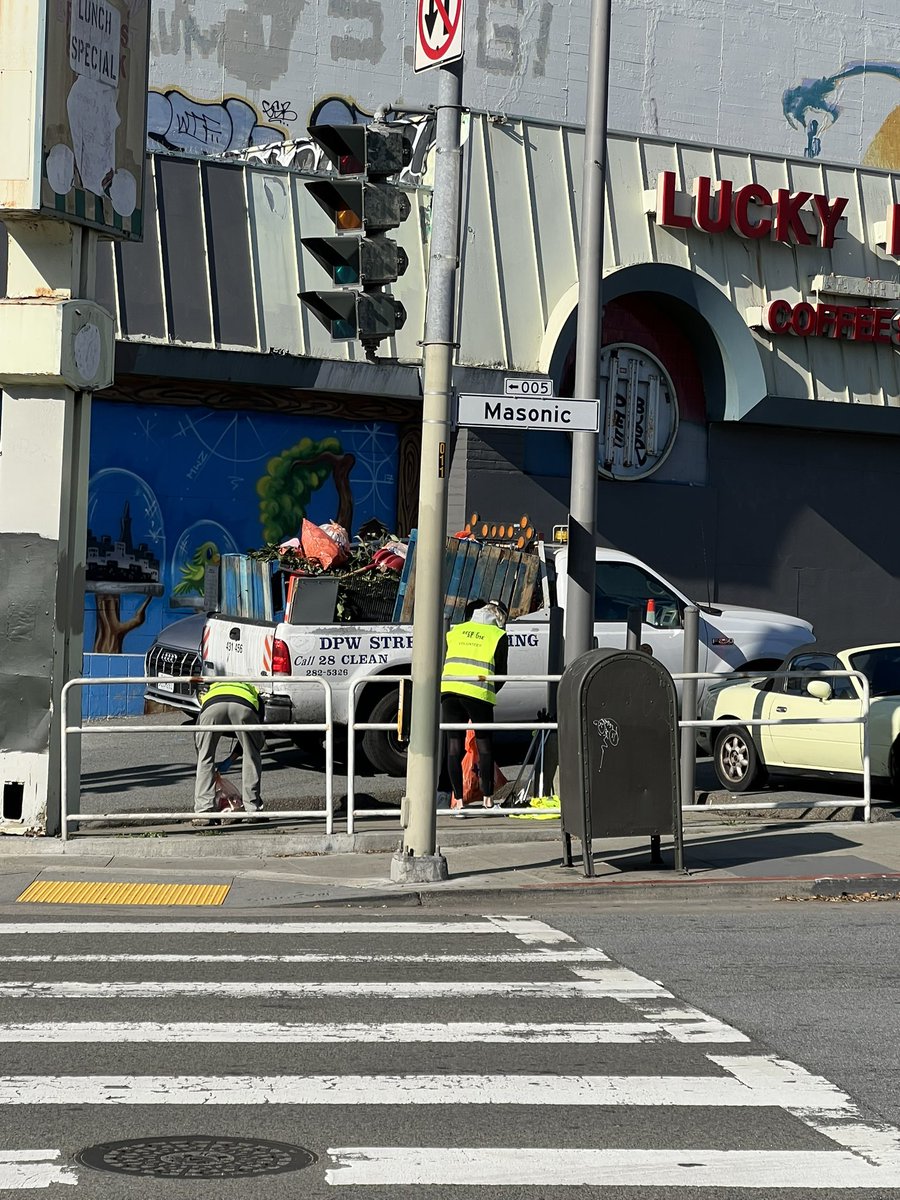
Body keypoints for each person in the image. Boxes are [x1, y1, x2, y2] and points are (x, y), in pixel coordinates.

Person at [441, 598, 509, 810]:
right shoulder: (498, 635)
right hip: (477, 692)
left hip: (449, 690)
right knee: (484, 744)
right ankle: (488, 799)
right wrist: (488, 692)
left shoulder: (456, 631)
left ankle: (458, 801)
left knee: (453, 746)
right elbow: (501, 674)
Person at [193, 681, 266, 826]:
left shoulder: (215, 687)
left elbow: (198, 739)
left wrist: (204, 757)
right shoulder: (253, 691)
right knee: (252, 756)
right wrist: (235, 757)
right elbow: (255, 742)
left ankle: (203, 812)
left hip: (213, 705)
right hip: (243, 705)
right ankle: (253, 809)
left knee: (205, 757)